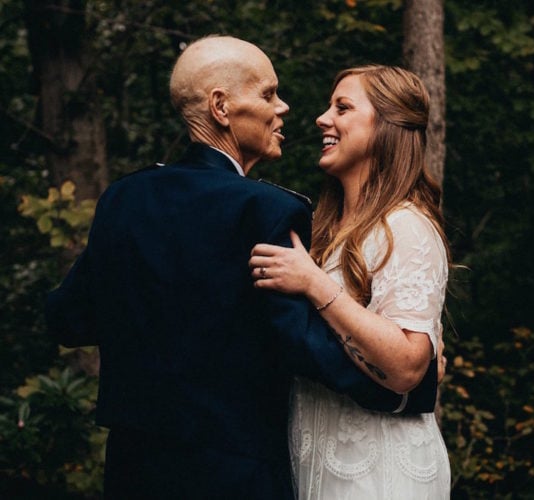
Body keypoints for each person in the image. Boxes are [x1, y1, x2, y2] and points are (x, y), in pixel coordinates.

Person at [44, 37, 439, 499]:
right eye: (269, 94)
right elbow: (301, 346)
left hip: (133, 467)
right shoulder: (266, 209)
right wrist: (410, 384)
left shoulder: (124, 198)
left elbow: (67, 319)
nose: (285, 108)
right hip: (235, 472)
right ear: (221, 107)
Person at [249, 65, 451, 499]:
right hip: (316, 461)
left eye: (342, 107)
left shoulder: (406, 226)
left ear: (387, 126)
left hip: (380, 470)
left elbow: (407, 367)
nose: (323, 118)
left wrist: (315, 284)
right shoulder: (324, 232)